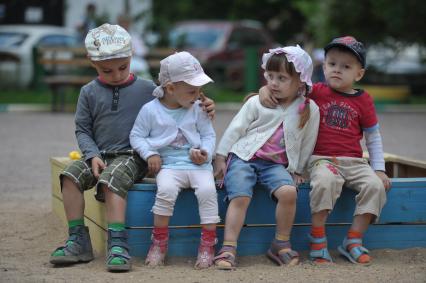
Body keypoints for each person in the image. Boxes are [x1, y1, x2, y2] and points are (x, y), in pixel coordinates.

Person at [49, 24, 216, 272]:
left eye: (122, 67)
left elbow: (180, 99)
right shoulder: (88, 92)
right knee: (70, 176)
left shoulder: (148, 89)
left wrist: (205, 102)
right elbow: (83, 130)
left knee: (113, 179)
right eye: (107, 70)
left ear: (131, 58)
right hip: (100, 154)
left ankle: (117, 242)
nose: (116, 75)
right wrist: (92, 155)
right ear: (92, 63)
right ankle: (78, 239)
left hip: (132, 155)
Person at [259, 36, 391, 265]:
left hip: (355, 162)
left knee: (375, 187)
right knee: (325, 183)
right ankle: (318, 238)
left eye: (346, 66)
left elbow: (373, 137)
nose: (337, 70)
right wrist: (263, 91)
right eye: (332, 64)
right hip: (321, 160)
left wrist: (379, 169)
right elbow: (285, 89)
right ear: (324, 66)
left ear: (359, 74)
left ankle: (353, 240)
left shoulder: (364, 100)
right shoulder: (315, 91)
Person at [213, 45, 320, 269]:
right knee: (241, 196)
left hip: (275, 165)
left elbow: (308, 141)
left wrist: (298, 169)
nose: (273, 83)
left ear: (300, 81)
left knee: (289, 192)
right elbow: (235, 129)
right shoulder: (257, 102)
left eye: (282, 78)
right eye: (270, 76)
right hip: (244, 157)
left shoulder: (308, 109)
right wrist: (221, 157)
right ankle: (228, 247)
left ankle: (280, 244)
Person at [130, 51, 220, 269]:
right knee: (165, 191)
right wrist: (150, 154)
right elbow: (136, 136)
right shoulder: (150, 111)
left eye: (199, 89)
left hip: (198, 164)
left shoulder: (198, 108)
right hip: (168, 164)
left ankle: (208, 245)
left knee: (208, 191)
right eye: (192, 90)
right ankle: (159, 243)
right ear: (170, 88)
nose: (198, 94)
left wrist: (205, 152)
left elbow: (208, 134)